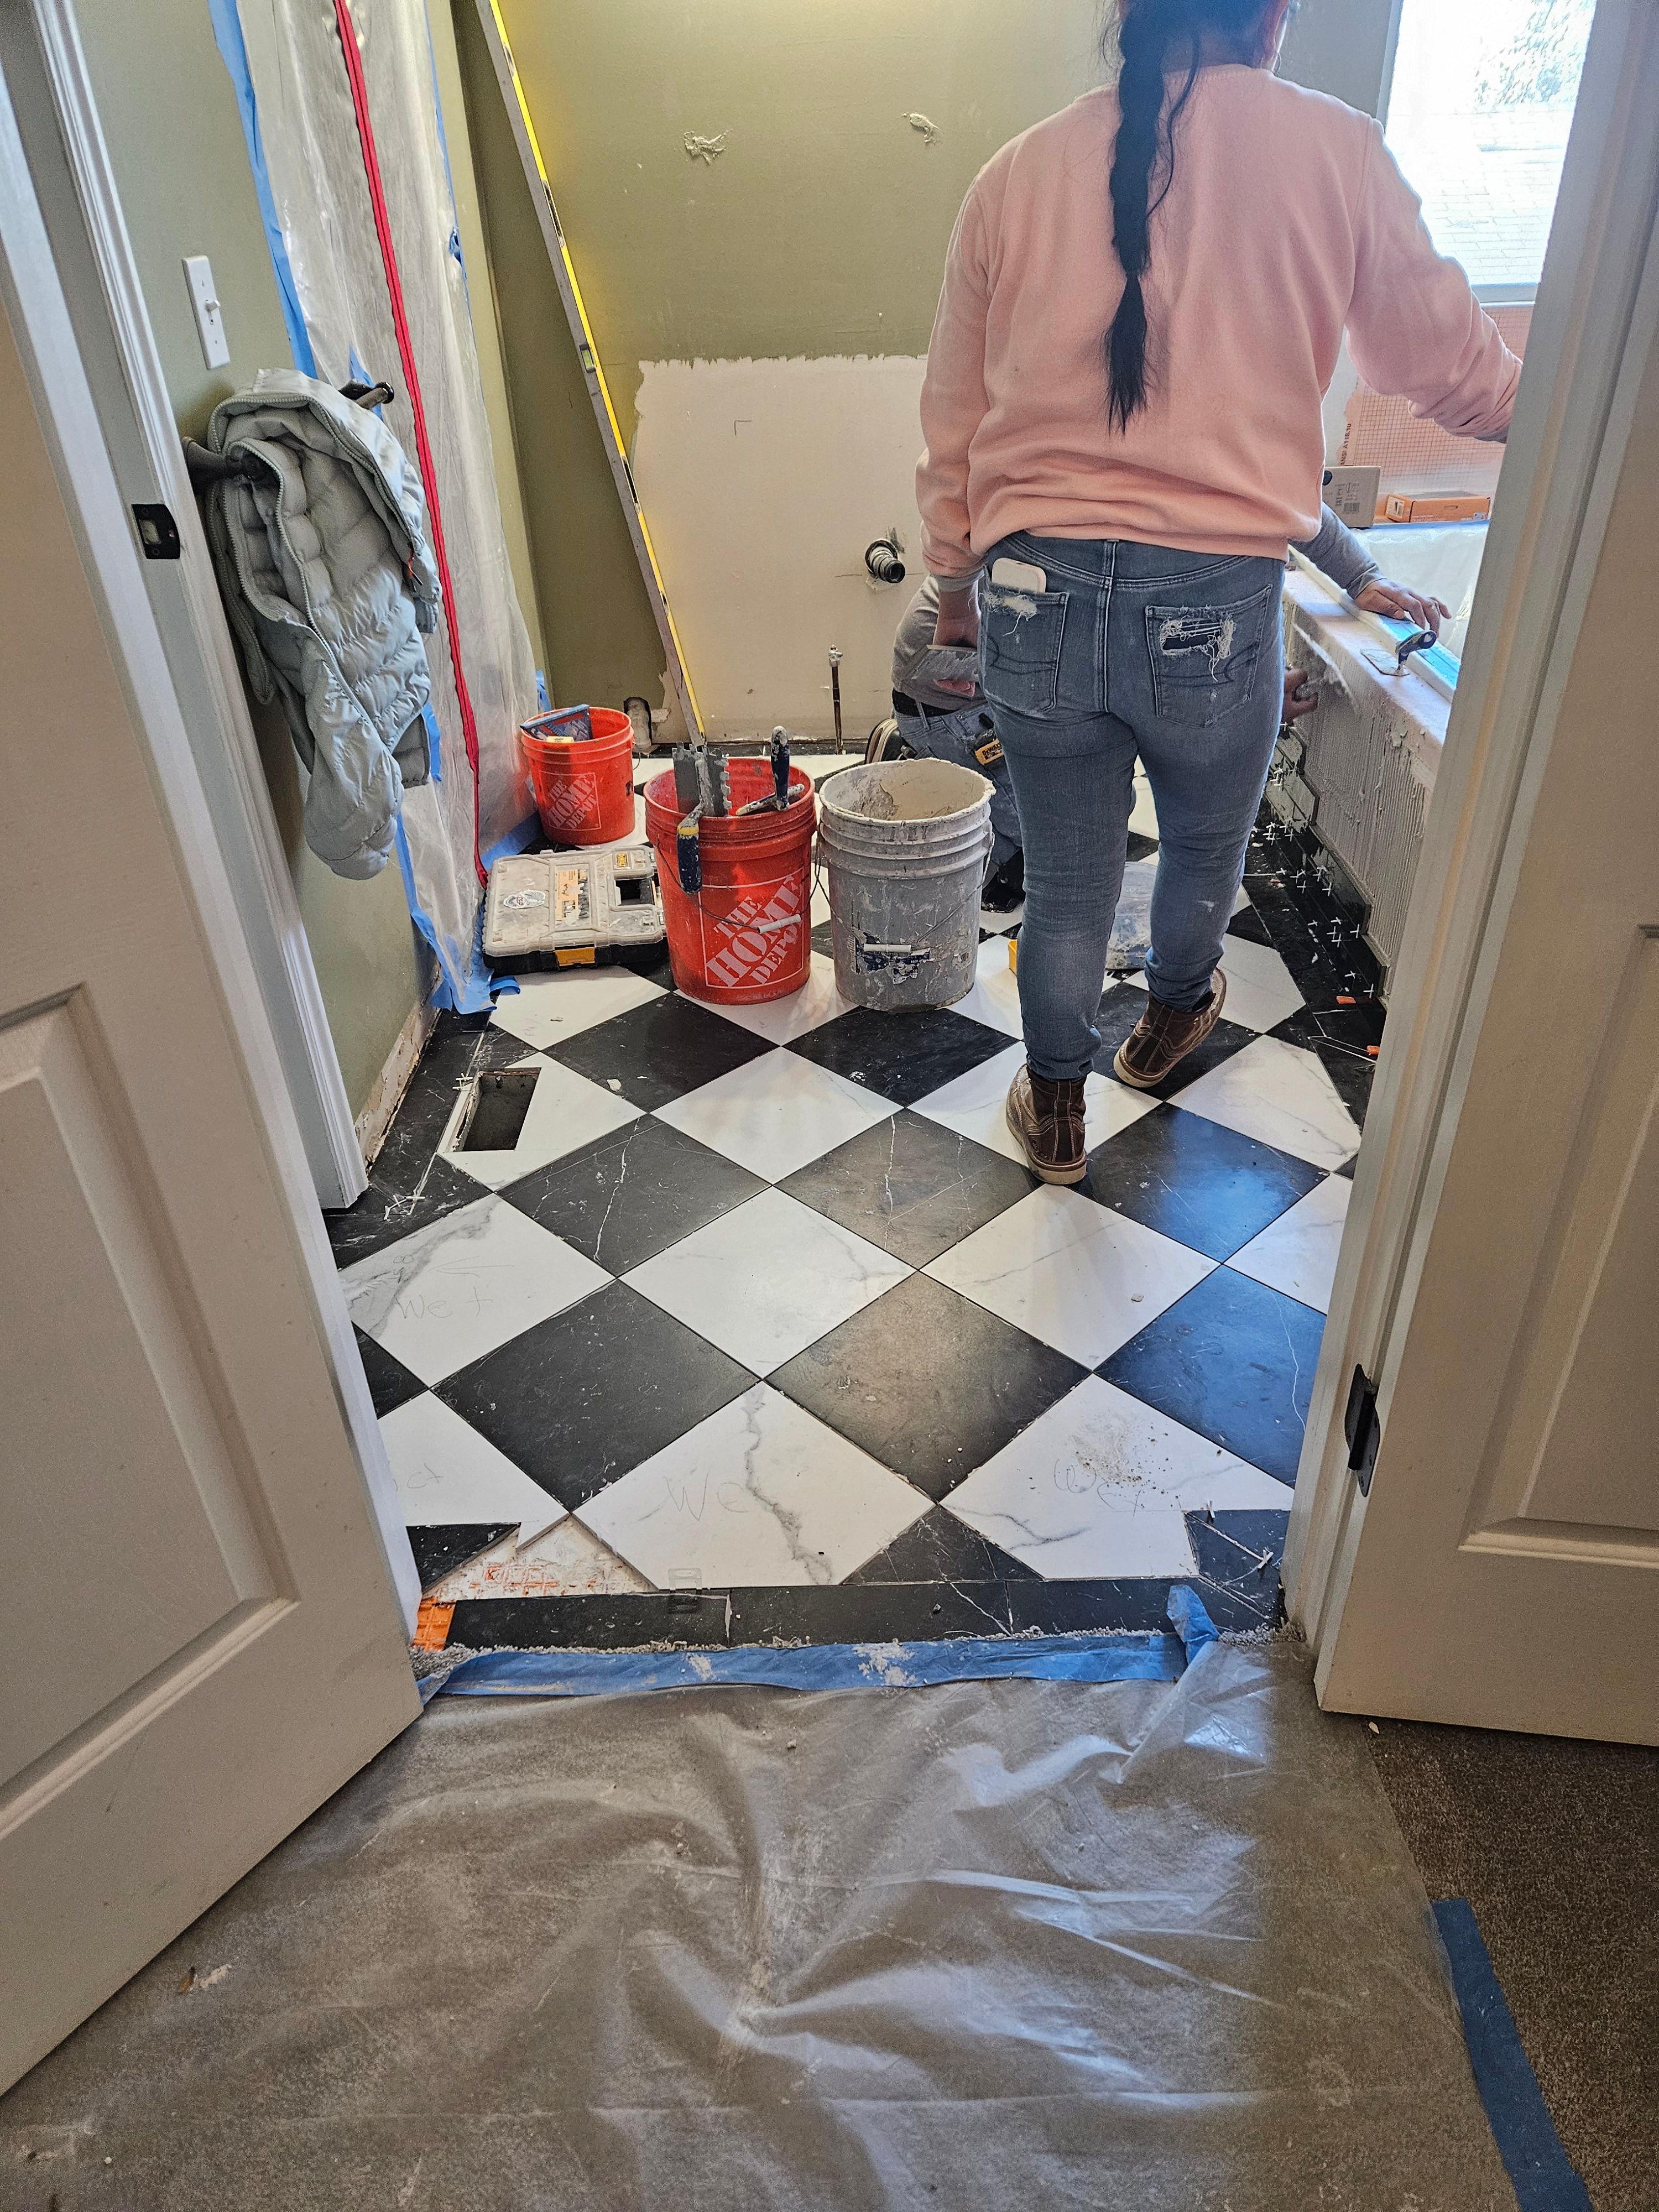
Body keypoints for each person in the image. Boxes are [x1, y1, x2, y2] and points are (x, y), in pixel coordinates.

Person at [916, 0, 1517, 1183]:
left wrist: (953, 590)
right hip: (1216, 603)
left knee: (1071, 880)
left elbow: (955, 418)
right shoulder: (1334, 149)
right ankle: (1172, 1017)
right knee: (1202, 847)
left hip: (1031, 589)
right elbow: (1458, 374)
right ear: (1276, 18)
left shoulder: (1014, 172)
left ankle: (1055, 1109)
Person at [878, 504, 1447, 913]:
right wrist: (1238, 711)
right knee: (1048, 862)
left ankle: (937, 755)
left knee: (1076, 830)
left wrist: (1362, 575)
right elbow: (1118, 702)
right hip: (950, 690)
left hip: (984, 661)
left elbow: (1291, 492)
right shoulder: (1117, 533)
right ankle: (926, 759)